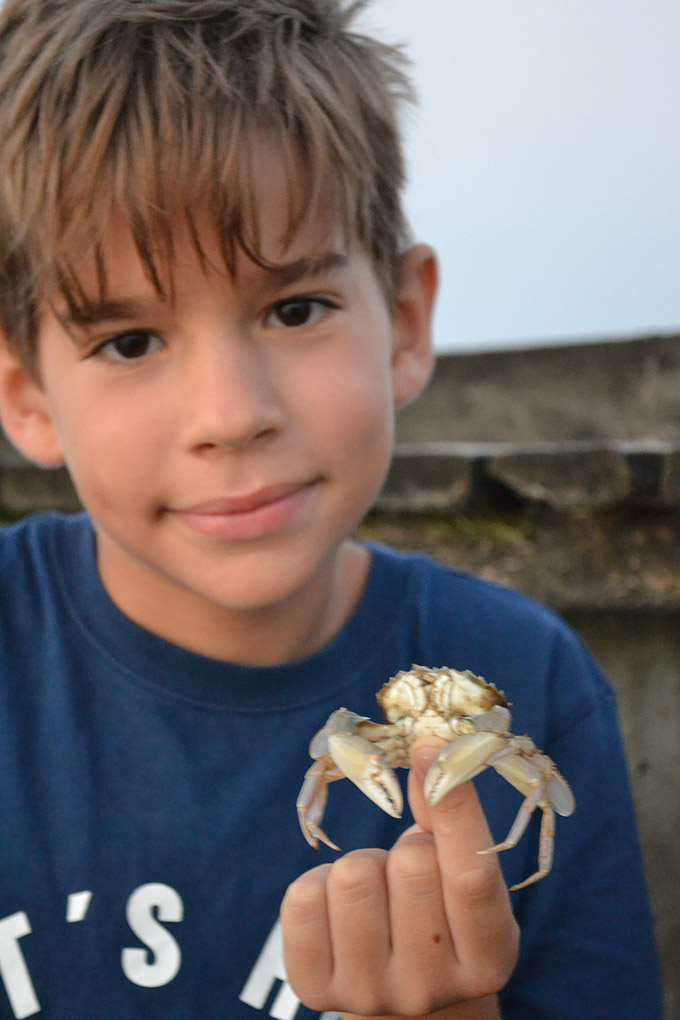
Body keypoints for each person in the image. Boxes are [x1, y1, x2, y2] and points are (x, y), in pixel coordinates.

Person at [0, 1, 662, 1018]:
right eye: (129, 341)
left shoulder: (527, 677)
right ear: (27, 398)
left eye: (293, 308)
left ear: (402, 322)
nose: (229, 416)